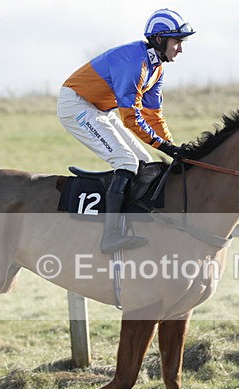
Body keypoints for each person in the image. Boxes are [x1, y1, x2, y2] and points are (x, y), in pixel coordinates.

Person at [57, 8, 194, 253]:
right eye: (177, 41)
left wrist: (171, 147)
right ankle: (110, 236)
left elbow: (153, 115)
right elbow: (131, 118)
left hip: (98, 109)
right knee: (126, 161)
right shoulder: (134, 63)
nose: (181, 49)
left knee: (146, 163)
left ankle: (133, 223)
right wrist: (164, 146)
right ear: (159, 39)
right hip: (76, 104)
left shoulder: (156, 68)